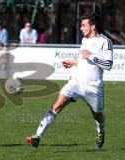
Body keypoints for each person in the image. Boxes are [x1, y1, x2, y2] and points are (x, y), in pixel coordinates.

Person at [26, 13, 113, 150]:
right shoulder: (84, 40)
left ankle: (101, 131)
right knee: (57, 106)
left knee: (98, 115)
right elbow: (84, 60)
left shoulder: (105, 42)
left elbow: (108, 65)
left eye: (84, 25)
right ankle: (37, 136)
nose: (81, 28)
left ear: (93, 26)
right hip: (76, 83)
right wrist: (73, 62)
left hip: (93, 87)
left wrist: (91, 56)